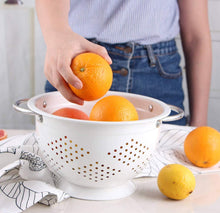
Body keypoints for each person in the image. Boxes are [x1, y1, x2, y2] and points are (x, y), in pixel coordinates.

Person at [35, 0, 212, 126]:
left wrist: (199, 124)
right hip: (78, 64)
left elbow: (196, 38)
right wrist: (57, 36)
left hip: (157, 73)